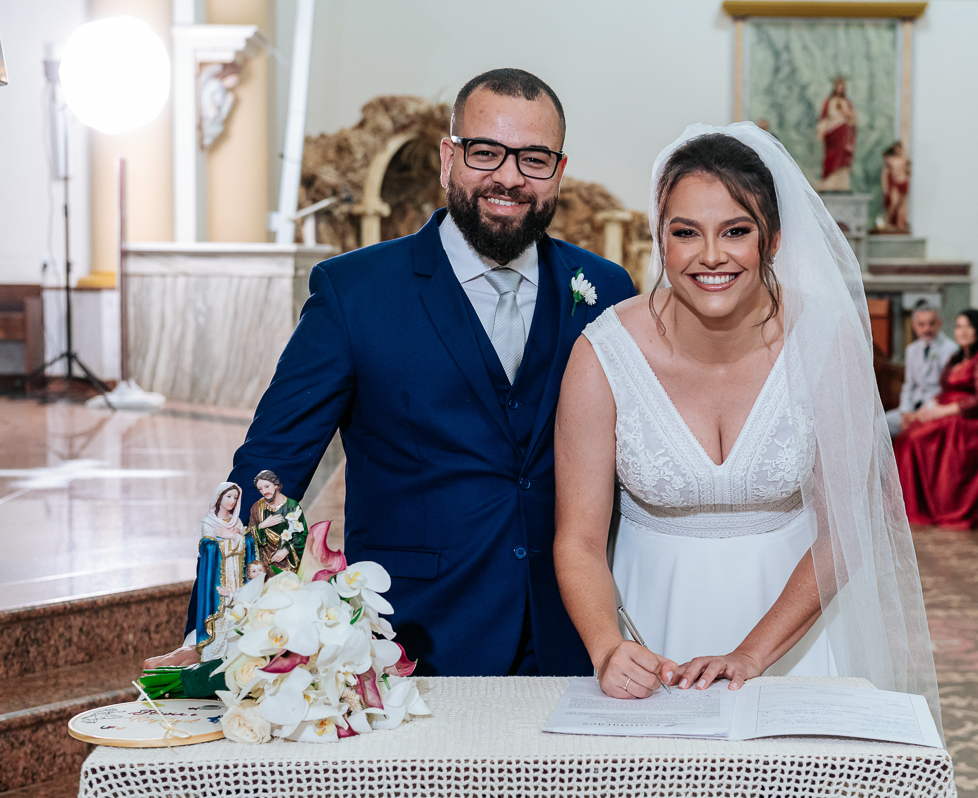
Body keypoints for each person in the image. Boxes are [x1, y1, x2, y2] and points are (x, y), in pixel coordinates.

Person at [145, 68, 635, 675]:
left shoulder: (607, 291)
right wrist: (210, 628)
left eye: (533, 159)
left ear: (558, 172)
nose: (509, 177)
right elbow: (272, 464)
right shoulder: (354, 293)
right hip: (413, 643)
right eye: (486, 152)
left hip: (576, 640)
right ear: (447, 157)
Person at [553, 123, 941, 735]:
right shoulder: (602, 353)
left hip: (795, 628)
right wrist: (607, 645)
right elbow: (577, 540)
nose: (711, 256)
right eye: (686, 233)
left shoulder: (824, 341)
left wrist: (753, 653)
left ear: (774, 239)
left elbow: (847, 528)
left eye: (736, 231)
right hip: (649, 632)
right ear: (660, 240)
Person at [895, 309, 978, 529]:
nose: (962, 331)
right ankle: (911, 505)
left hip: (976, 419)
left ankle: (934, 506)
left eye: (968, 326)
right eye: (958, 326)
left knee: (918, 439)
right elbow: (945, 390)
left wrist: (942, 411)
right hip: (952, 412)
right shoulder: (959, 356)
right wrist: (924, 411)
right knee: (908, 434)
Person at [189, 482, 256, 662]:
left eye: (235, 497)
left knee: (237, 609)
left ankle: (234, 654)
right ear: (219, 498)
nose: (232, 501)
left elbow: (248, 544)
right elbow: (207, 548)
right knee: (220, 614)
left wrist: (234, 537)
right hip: (217, 578)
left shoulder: (237, 522)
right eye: (228, 496)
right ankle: (215, 654)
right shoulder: (208, 523)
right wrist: (233, 540)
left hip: (236, 575)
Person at [886, 305, 958, 436]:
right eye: (921, 324)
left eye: (931, 324)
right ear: (915, 326)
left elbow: (947, 388)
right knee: (880, 425)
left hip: (934, 406)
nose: (927, 329)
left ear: (939, 324)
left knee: (916, 432)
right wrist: (906, 411)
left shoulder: (951, 349)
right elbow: (909, 384)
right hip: (912, 406)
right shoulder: (912, 349)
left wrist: (918, 414)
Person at [247, 469, 307, 575]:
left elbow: (302, 534)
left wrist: (286, 550)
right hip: (264, 563)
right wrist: (262, 525)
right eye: (260, 489)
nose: (264, 492)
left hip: (287, 563)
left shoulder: (292, 506)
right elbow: (248, 535)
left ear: (276, 485)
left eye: (267, 486)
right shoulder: (257, 507)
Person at [816, 77, 857, 192]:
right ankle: (829, 183)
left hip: (844, 133)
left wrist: (849, 116)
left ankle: (841, 183)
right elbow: (823, 118)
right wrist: (821, 130)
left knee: (842, 157)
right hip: (832, 133)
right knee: (832, 156)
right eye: (838, 87)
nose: (840, 89)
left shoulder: (847, 102)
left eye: (842, 87)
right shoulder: (829, 102)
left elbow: (853, 119)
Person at [880, 142, 910, 232]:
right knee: (894, 203)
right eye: (896, 149)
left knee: (901, 205)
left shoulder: (905, 160)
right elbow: (884, 153)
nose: (897, 151)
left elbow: (908, 172)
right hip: (895, 183)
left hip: (903, 182)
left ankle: (900, 224)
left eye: (899, 149)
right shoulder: (890, 160)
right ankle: (889, 222)